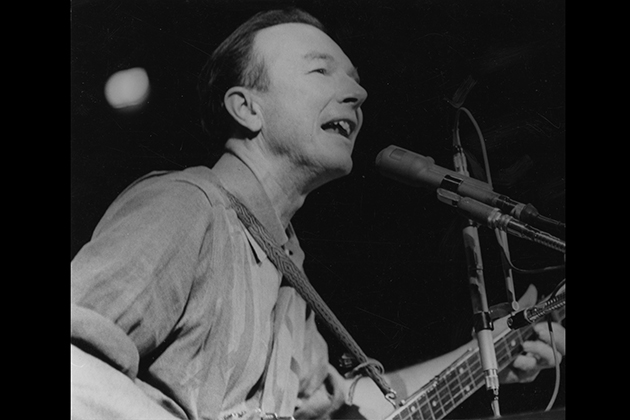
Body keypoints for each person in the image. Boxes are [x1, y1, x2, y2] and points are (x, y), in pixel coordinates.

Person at [70, 8, 565, 420]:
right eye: (320, 70)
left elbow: (358, 406)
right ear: (247, 108)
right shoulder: (187, 205)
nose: (358, 94)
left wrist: (485, 358)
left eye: (354, 80)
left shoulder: (285, 270)